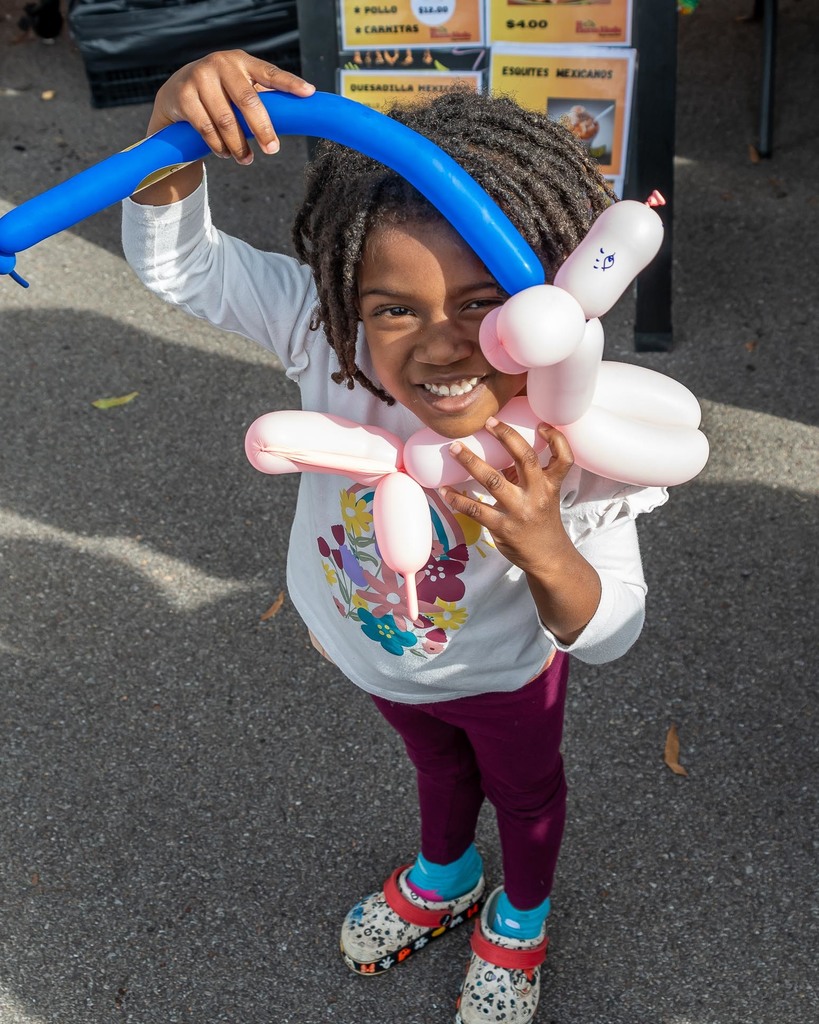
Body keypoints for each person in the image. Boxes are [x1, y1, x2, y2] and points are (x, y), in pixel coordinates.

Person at [122, 50, 667, 1024]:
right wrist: (173, 136)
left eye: (482, 304)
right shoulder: (324, 339)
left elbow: (613, 623)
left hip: (505, 674)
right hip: (371, 650)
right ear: (345, 304)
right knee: (434, 766)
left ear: (551, 290)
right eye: (393, 308)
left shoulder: (573, 439)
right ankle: (449, 869)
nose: (441, 345)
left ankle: (523, 910)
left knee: (528, 791)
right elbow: (180, 265)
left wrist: (546, 540)